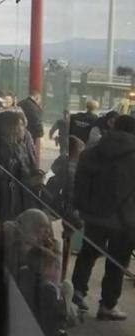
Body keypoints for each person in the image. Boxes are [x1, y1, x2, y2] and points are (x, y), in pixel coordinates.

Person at [70, 113, 135, 321]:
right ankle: (107, 305)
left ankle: (77, 294)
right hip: (125, 219)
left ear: (114, 127)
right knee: (117, 262)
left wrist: (81, 208)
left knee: (88, 253)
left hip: (95, 215)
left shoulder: (91, 151)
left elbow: (80, 183)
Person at [0, 108, 40, 221]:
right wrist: (29, 182)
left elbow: (26, 169)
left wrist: (34, 176)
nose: (24, 129)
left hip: (22, 202)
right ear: (11, 128)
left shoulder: (20, 145)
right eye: (21, 125)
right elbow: (3, 179)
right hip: (7, 206)